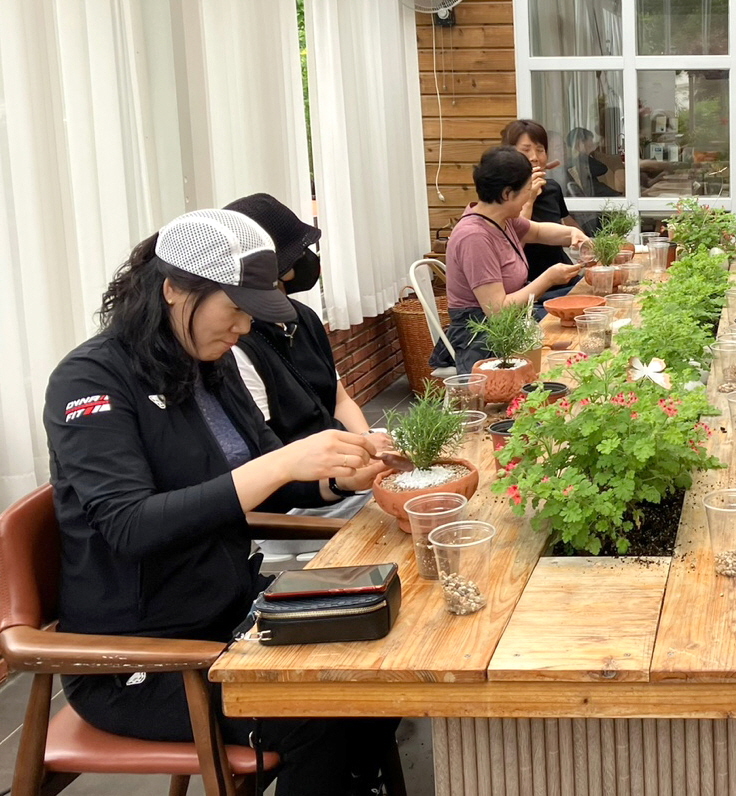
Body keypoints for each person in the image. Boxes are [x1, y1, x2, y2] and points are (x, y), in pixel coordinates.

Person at [44, 209, 398, 795]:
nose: (243, 326)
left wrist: (340, 479)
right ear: (174, 289)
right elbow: (129, 526)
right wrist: (281, 462)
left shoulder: (208, 362)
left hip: (230, 609)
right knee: (322, 709)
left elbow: (271, 478)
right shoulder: (89, 380)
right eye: (233, 307)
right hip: (142, 657)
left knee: (384, 654)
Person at [224, 194, 387, 563]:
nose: (308, 259)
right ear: (277, 268)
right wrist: (347, 471)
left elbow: (340, 400)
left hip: (342, 470)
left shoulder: (303, 318)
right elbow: (268, 460)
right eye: (300, 251)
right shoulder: (237, 347)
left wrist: (367, 443)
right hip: (299, 502)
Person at [433, 146, 587, 373]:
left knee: (578, 322)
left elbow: (538, 231)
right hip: (483, 337)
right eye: (527, 191)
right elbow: (498, 312)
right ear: (507, 194)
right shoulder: (474, 236)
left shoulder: (502, 219)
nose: (529, 197)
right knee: (570, 339)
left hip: (515, 321)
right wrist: (549, 278)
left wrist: (573, 234)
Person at [500, 119, 582, 301]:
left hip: (564, 278)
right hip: (529, 290)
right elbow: (514, 244)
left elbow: (567, 223)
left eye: (540, 150)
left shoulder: (552, 188)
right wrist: (528, 199)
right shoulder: (504, 196)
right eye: (526, 150)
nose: (534, 157)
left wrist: (590, 246)